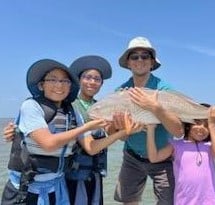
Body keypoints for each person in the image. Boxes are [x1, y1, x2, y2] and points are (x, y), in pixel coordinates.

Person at [1, 59, 140, 205]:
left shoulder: (75, 112)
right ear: (41, 85)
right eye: (53, 80)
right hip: (31, 186)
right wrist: (86, 127)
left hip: (60, 184)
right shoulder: (33, 105)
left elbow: (92, 147)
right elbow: (46, 143)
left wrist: (122, 132)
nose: (59, 85)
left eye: (64, 81)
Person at [113, 36, 184, 205]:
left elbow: (179, 131)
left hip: (162, 158)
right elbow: (122, 137)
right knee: (128, 200)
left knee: (168, 202)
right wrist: (123, 129)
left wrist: (155, 108)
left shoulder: (164, 89)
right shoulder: (120, 92)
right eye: (134, 56)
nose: (140, 60)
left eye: (145, 56)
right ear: (128, 63)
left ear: (152, 62)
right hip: (132, 156)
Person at [146, 105, 215, 204]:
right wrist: (150, 130)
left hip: (210, 201)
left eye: (206, 125)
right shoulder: (176, 145)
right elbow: (154, 157)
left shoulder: (209, 146)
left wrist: (213, 125)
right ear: (188, 125)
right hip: (184, 201)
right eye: (198, 123)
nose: (201, 128)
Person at [66, 55, 112, 205]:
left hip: (95, 173)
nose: (92, 82)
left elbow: (110, 130)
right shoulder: (70, 104)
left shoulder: (103, 106)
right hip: (74, 175)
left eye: (97, 79)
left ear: (101, 84)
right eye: (87, 77)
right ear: (79, 80)